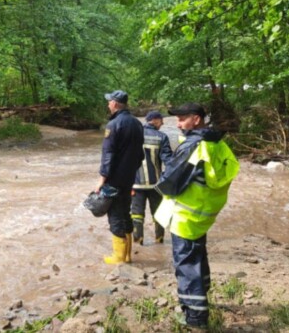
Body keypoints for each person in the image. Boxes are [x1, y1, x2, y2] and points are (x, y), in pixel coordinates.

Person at [154, 102, 239, 329]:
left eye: (182, 119)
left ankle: (194, 318)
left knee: (186, 265)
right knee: (198, 258)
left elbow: (170, 182)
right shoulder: (217, 143)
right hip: (203, 214)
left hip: (184, 216)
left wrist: (160, 184)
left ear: (197, 119)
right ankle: (203, 298)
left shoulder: (193, 145)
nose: (178, 124)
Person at [96, 90, 144, 264]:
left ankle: (118, 257)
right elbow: (140, 155)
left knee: (115, 215)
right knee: (126, 213)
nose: (108, 104)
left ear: (115, 104)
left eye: (109, 102)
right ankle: (128, 255)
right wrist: (131, 170)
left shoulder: (114, 124)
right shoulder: (138, 124)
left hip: (115, 179)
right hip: (130, 177)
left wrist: (102, 179)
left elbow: (108, 154)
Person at [130, 111, 173, 245]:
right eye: (161, 121)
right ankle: (159, 240)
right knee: (158, 213)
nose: (163, 123)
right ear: (155, 120)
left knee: (137, 214)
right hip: (156, 184)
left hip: (136, 184)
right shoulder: (162, 137)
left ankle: (138, 241)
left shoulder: (133, 136)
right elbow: (168, 161)